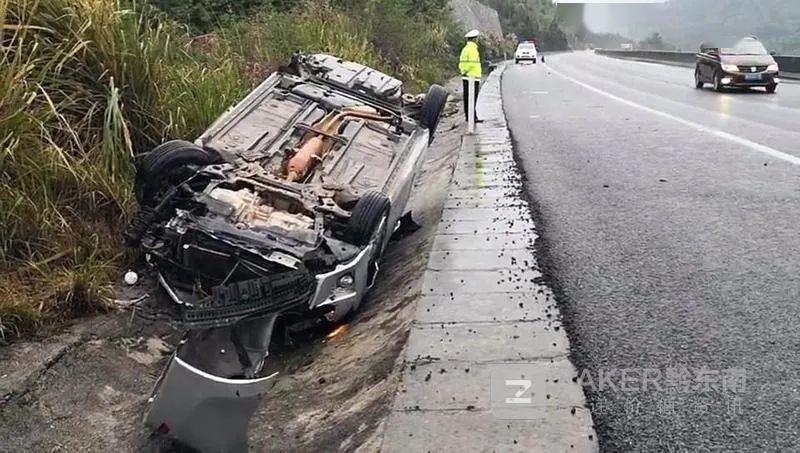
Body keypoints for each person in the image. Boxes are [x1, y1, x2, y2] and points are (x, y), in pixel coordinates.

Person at [459, 29, 483, 123]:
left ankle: (469, 116)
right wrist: (466, 71)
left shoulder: (465, 49)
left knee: (467, 98)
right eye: (476, 38)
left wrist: (463, 72)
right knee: (472, 98)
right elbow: (472, 63)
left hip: (466, 77)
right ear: (474, 39)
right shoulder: (473, 49)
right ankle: (472, 118)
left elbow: (461, 63)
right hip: (472, 77)